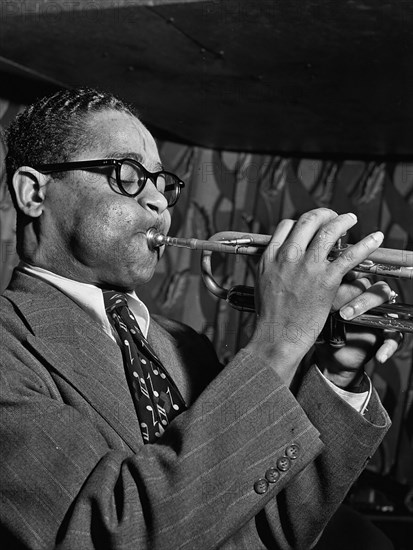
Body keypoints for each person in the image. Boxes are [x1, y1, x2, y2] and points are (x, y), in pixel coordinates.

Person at [0, 87, 398, 550]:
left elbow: (274, 529)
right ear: (34, 192)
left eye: (160, 182)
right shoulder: (9, 345)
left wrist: (335, 373)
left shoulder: (183, 344)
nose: (158, 202)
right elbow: (113, 533)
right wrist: (279, 342)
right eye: (126, 174)